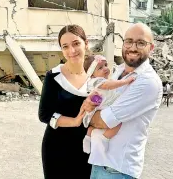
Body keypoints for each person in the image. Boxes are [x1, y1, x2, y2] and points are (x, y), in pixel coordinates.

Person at [82, 23, 163, 179]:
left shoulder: (148, 82)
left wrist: (88, 113)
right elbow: (102, 96)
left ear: (151, 48)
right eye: (129, 41)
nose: (133, 47)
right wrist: (91, 103)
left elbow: (105, 121)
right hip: (100, 164)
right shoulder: (117, 71)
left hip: (117, 171)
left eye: (140, 43)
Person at [38, 24, 91, 179]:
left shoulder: (95, 75)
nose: (71, 51)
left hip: (87, 148)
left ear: (86, 44)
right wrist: (74, 121)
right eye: (65, 46)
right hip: (57, 147)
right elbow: (44, 114)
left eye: (76, 44)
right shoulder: (54, 76)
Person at [81, 55, 134, 154]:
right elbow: (109, 86)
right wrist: (125, 81)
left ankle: (88, 137)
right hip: (101, 107)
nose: (105, 68)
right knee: (118, 123)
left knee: (93, 127)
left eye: (105, 65)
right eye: (100, 68)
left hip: (100, 106)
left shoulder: (99, 80)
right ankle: (105, 139)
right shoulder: (96, 81)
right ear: (92, 74)